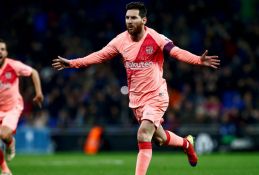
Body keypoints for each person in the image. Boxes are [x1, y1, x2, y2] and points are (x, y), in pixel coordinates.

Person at [52, 2, 220, 175]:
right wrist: (73, 63)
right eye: (127, 18)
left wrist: (198, 60)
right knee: (160, 139)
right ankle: (186, 144)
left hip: (157, 95)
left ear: (144, 20)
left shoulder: (156, 38)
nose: (129, 21)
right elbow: (99, 55)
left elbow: (176, 52)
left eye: (133, 18)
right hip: (136, 100)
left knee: (143, 135)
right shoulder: (120, 40)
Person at [0, 38, 44, 175]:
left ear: (6, 53)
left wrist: (38, 93)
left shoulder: (14, 65)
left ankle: (10, 143)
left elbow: (34, 72)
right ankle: (5, 170)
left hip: (12, 107)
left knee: (4, 134)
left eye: (2, 49)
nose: (0, 51)